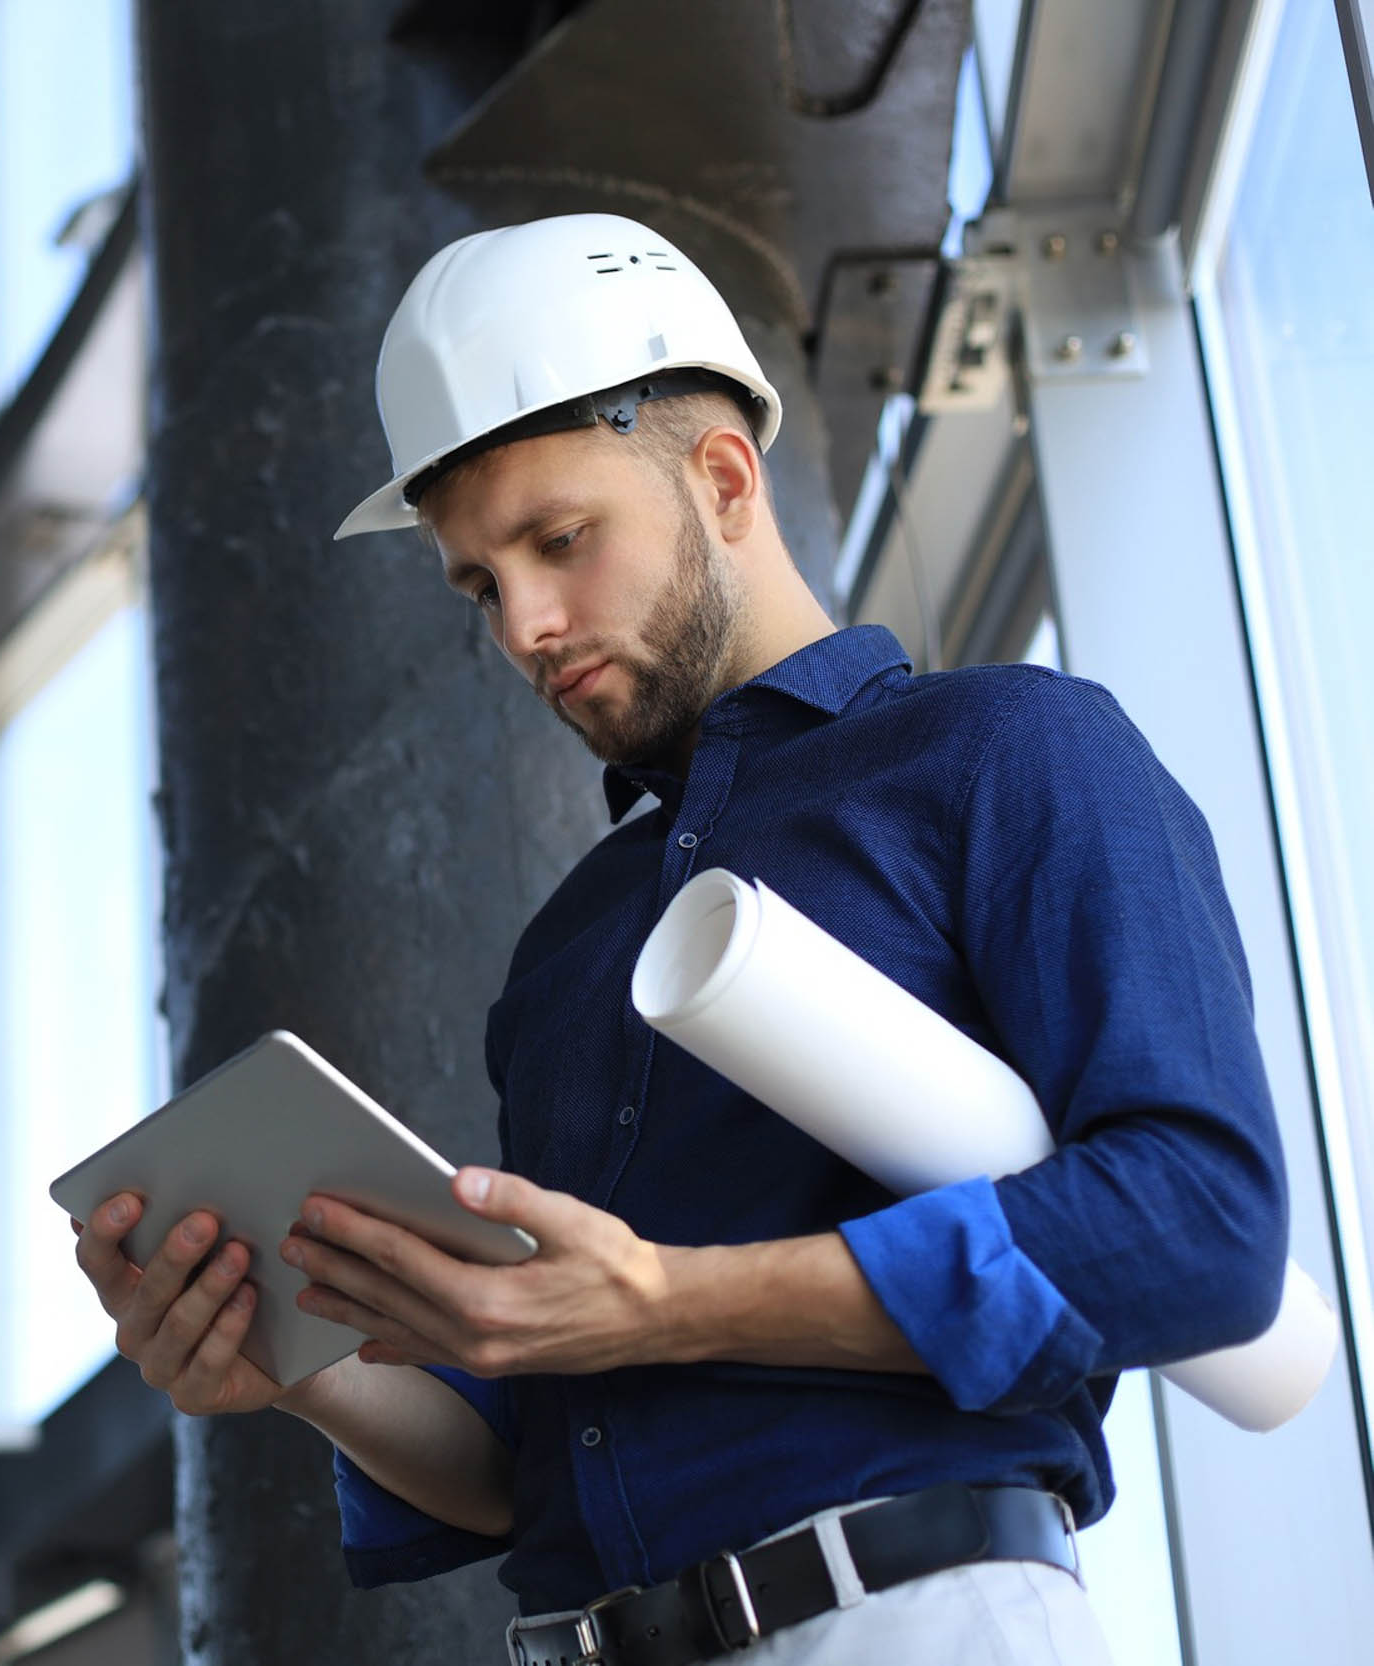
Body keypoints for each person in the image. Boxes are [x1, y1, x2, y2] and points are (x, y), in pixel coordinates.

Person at [67, 212, 1291, 1665]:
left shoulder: (1008, 751)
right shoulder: (569, 952)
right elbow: (532, 1459)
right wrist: (291, 1366)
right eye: (478, 582)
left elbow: (1205, 1230)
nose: (524, 622)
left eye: (559, 540)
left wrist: (660, 1299)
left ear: (721, 479)